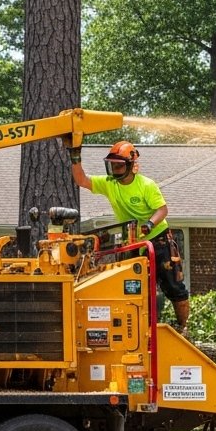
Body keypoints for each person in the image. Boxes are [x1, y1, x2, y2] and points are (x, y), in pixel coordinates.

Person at [70, 140, 190, 328]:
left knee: (174, 286)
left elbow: (162, 209)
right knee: (133, 288)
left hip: (158, 240)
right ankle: (142, 329)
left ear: (132, 165)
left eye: (119, 165)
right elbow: (82, 180)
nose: (115, 169)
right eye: (112, 165)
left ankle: (184, 328)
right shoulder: (109, 184)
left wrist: (149, 224)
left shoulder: (146, 185)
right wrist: (75, 156)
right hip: (132, 242)